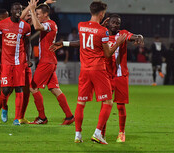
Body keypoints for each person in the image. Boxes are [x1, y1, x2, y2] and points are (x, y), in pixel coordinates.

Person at [50, 1, 126, 144]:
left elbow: (84, 40)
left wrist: (64, 43)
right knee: (108, 101)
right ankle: (97, 133)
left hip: (84, 70)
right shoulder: (103, 31)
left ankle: (78, 135)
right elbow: (108, 53)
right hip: (98, 70)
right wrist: (118, 42)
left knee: (81, 103)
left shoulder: (81, 26)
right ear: (102, 13)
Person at [27, 0, 74, 125]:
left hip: (46, 61)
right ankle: (69, 116)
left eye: (38, 14)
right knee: (54, 89)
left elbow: (37, 27)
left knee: (33, 87)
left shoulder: (49, 24)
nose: (36, 16)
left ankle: (42, 117)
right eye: (36, 14)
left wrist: (32, 10)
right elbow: (36, 23)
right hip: (49, 60)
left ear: (46, 14)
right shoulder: (48, 22)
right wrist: (44, 3)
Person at [98, 14, 143, 142]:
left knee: (120, 105)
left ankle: (121, 132)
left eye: (118, 23)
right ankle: (102, 132)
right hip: (106, 75)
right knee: (104, 105)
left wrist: (139, 37)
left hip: (120, 75)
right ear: (108, 23)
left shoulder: (122, 34)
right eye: (113, 22)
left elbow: (132, 36)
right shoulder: (103, 34)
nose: (115, 25)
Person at [0, 2, 32, 126]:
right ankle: (4, 107)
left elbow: (27, 44)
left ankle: (17, 119)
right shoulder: (2, 25)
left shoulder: (25, 26)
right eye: (16, 9)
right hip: (5, 62)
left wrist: (28, 58)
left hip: (19, 62)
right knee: (5, 90)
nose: (18, 11)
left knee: (19, 88)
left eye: (20, 10)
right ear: (11, 10)